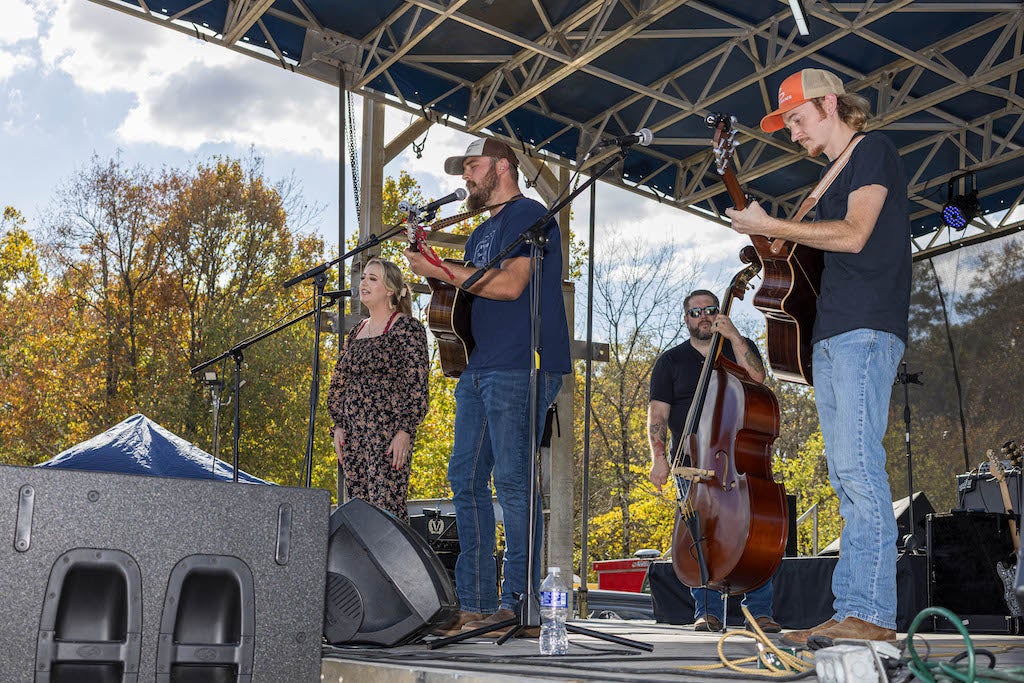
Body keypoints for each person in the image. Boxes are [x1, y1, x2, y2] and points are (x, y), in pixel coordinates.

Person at [725, 68, 911, 645]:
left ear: (830, 104)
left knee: (859, 471)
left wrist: (771, 223)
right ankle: (852, 607)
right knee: (845, 475)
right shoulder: (828, 180)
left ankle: (874, 614)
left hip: (865, 331)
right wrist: (773, 245)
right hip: (832, 337)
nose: (792, 134)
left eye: (798, 120)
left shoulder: (871, 151)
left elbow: (855, 234)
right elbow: (814, 257)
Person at [404, 137, 571, 637]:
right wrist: (434, 266)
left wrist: (440, 270)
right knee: (466, 481)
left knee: (514, 485)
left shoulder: (529, 217)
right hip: (478, 368)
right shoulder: (480, 231)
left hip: (522, 365)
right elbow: (464, 291)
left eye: (472, 167)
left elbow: (509, 285)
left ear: (501, 166)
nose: (465, 178)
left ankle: (520, 605)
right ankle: (475, 604)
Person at [647, 289, 781, 634]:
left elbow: (758, 379)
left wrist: (734, 336)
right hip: (690, 461)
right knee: (699, 535)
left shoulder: (738, 347)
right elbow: (657, 416)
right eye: (695, 312)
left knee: (754, 530)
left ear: (719, 312)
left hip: (734, 461)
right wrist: (658, 459)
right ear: (686, 318)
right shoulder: (670, 362)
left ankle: (760, 611)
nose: (703, 316)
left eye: (709, 309)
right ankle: (706, 611)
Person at [326, 257, 429, 523]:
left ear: (391, 290)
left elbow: (417, 385)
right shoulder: (357, 330)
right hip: (354, 437)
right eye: (363, 278)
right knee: (359, 513)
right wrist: (338, 425)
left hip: (386, 437)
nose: (364, 283)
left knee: (386, 512)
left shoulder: (406, 328)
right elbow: (340, 380)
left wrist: (405, 430)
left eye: (373, 279)